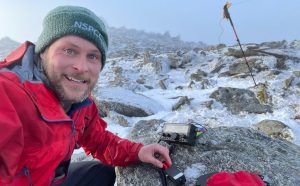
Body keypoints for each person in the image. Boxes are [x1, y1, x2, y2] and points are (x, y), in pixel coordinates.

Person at [0, 5, 171, 186]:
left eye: (93, 56)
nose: (81, 67)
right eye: (69, 51)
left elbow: (99, 140)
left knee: (103, 173)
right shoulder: (8, 96)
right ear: (43, 53)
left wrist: (137, 152)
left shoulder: (81, 104)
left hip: (49, 179)